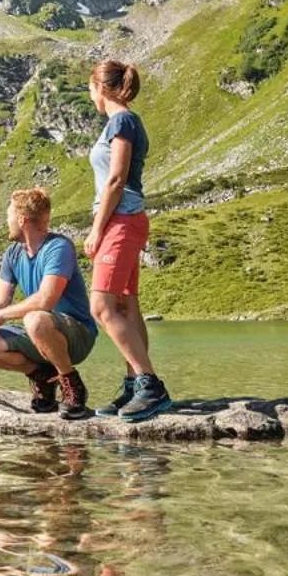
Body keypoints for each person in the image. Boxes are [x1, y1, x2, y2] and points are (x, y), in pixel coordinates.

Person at [0, 187, 96, 419]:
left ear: (21, 220)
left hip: (77, 335)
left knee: (35, 318)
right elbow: (0, 302)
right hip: (40, 333)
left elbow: (46, 299)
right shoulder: (13, 254)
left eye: (9, 216)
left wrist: (2, 317)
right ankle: (43, 377)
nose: (6, 222)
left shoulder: (59, 247)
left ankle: (72, 385)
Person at [83, 59, 173, 421]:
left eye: (90, 89)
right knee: (125, 306)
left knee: (101, 306)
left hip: (120, 221)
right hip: (127, 220)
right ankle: (134, 382)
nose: (90, 97)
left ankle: (150, 385)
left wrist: (96, 229)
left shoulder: (121, 121)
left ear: (101, 89)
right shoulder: (124, 122)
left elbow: (116, 179)